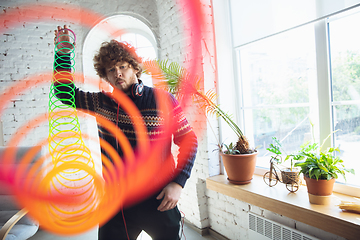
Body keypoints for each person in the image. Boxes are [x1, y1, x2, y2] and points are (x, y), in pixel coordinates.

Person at [53, 25, 198, 240]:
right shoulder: (101, 102)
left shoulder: (164, 100)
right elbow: (64, 92)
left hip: (158, 197)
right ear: (106, 75)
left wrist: (178, 183)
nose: (117, 73)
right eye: (111, 70)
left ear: (135, 69)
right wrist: (63, 52)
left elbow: (189, 140)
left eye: (123, 66)